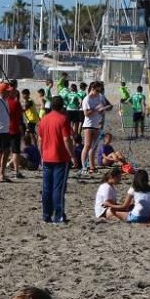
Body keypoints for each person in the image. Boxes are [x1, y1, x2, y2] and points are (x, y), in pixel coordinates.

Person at [38, 96, 76, 224]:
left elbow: (40, 140)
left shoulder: (44, 119)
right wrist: (72, 155)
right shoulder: (63, 119)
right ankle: (58, 215)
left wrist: (41, 154)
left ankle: (46, 214)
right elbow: (67, 139)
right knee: (58, 189)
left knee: (47, 187)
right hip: (60, 157)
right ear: (62, 106)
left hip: (47, 157)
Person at [81, 83, 112, 174]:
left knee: (94, 147)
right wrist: (96, 109)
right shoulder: (87, 99)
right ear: (92, 89)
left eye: (100, 91)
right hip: (88, 125)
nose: (99, 93)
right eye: (97, 90)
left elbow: (102, 108)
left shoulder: (99, 97)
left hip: (96, 125)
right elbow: (86, 113)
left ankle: (92, 166)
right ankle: (84, 167)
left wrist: (106, 107)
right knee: (87, 146)